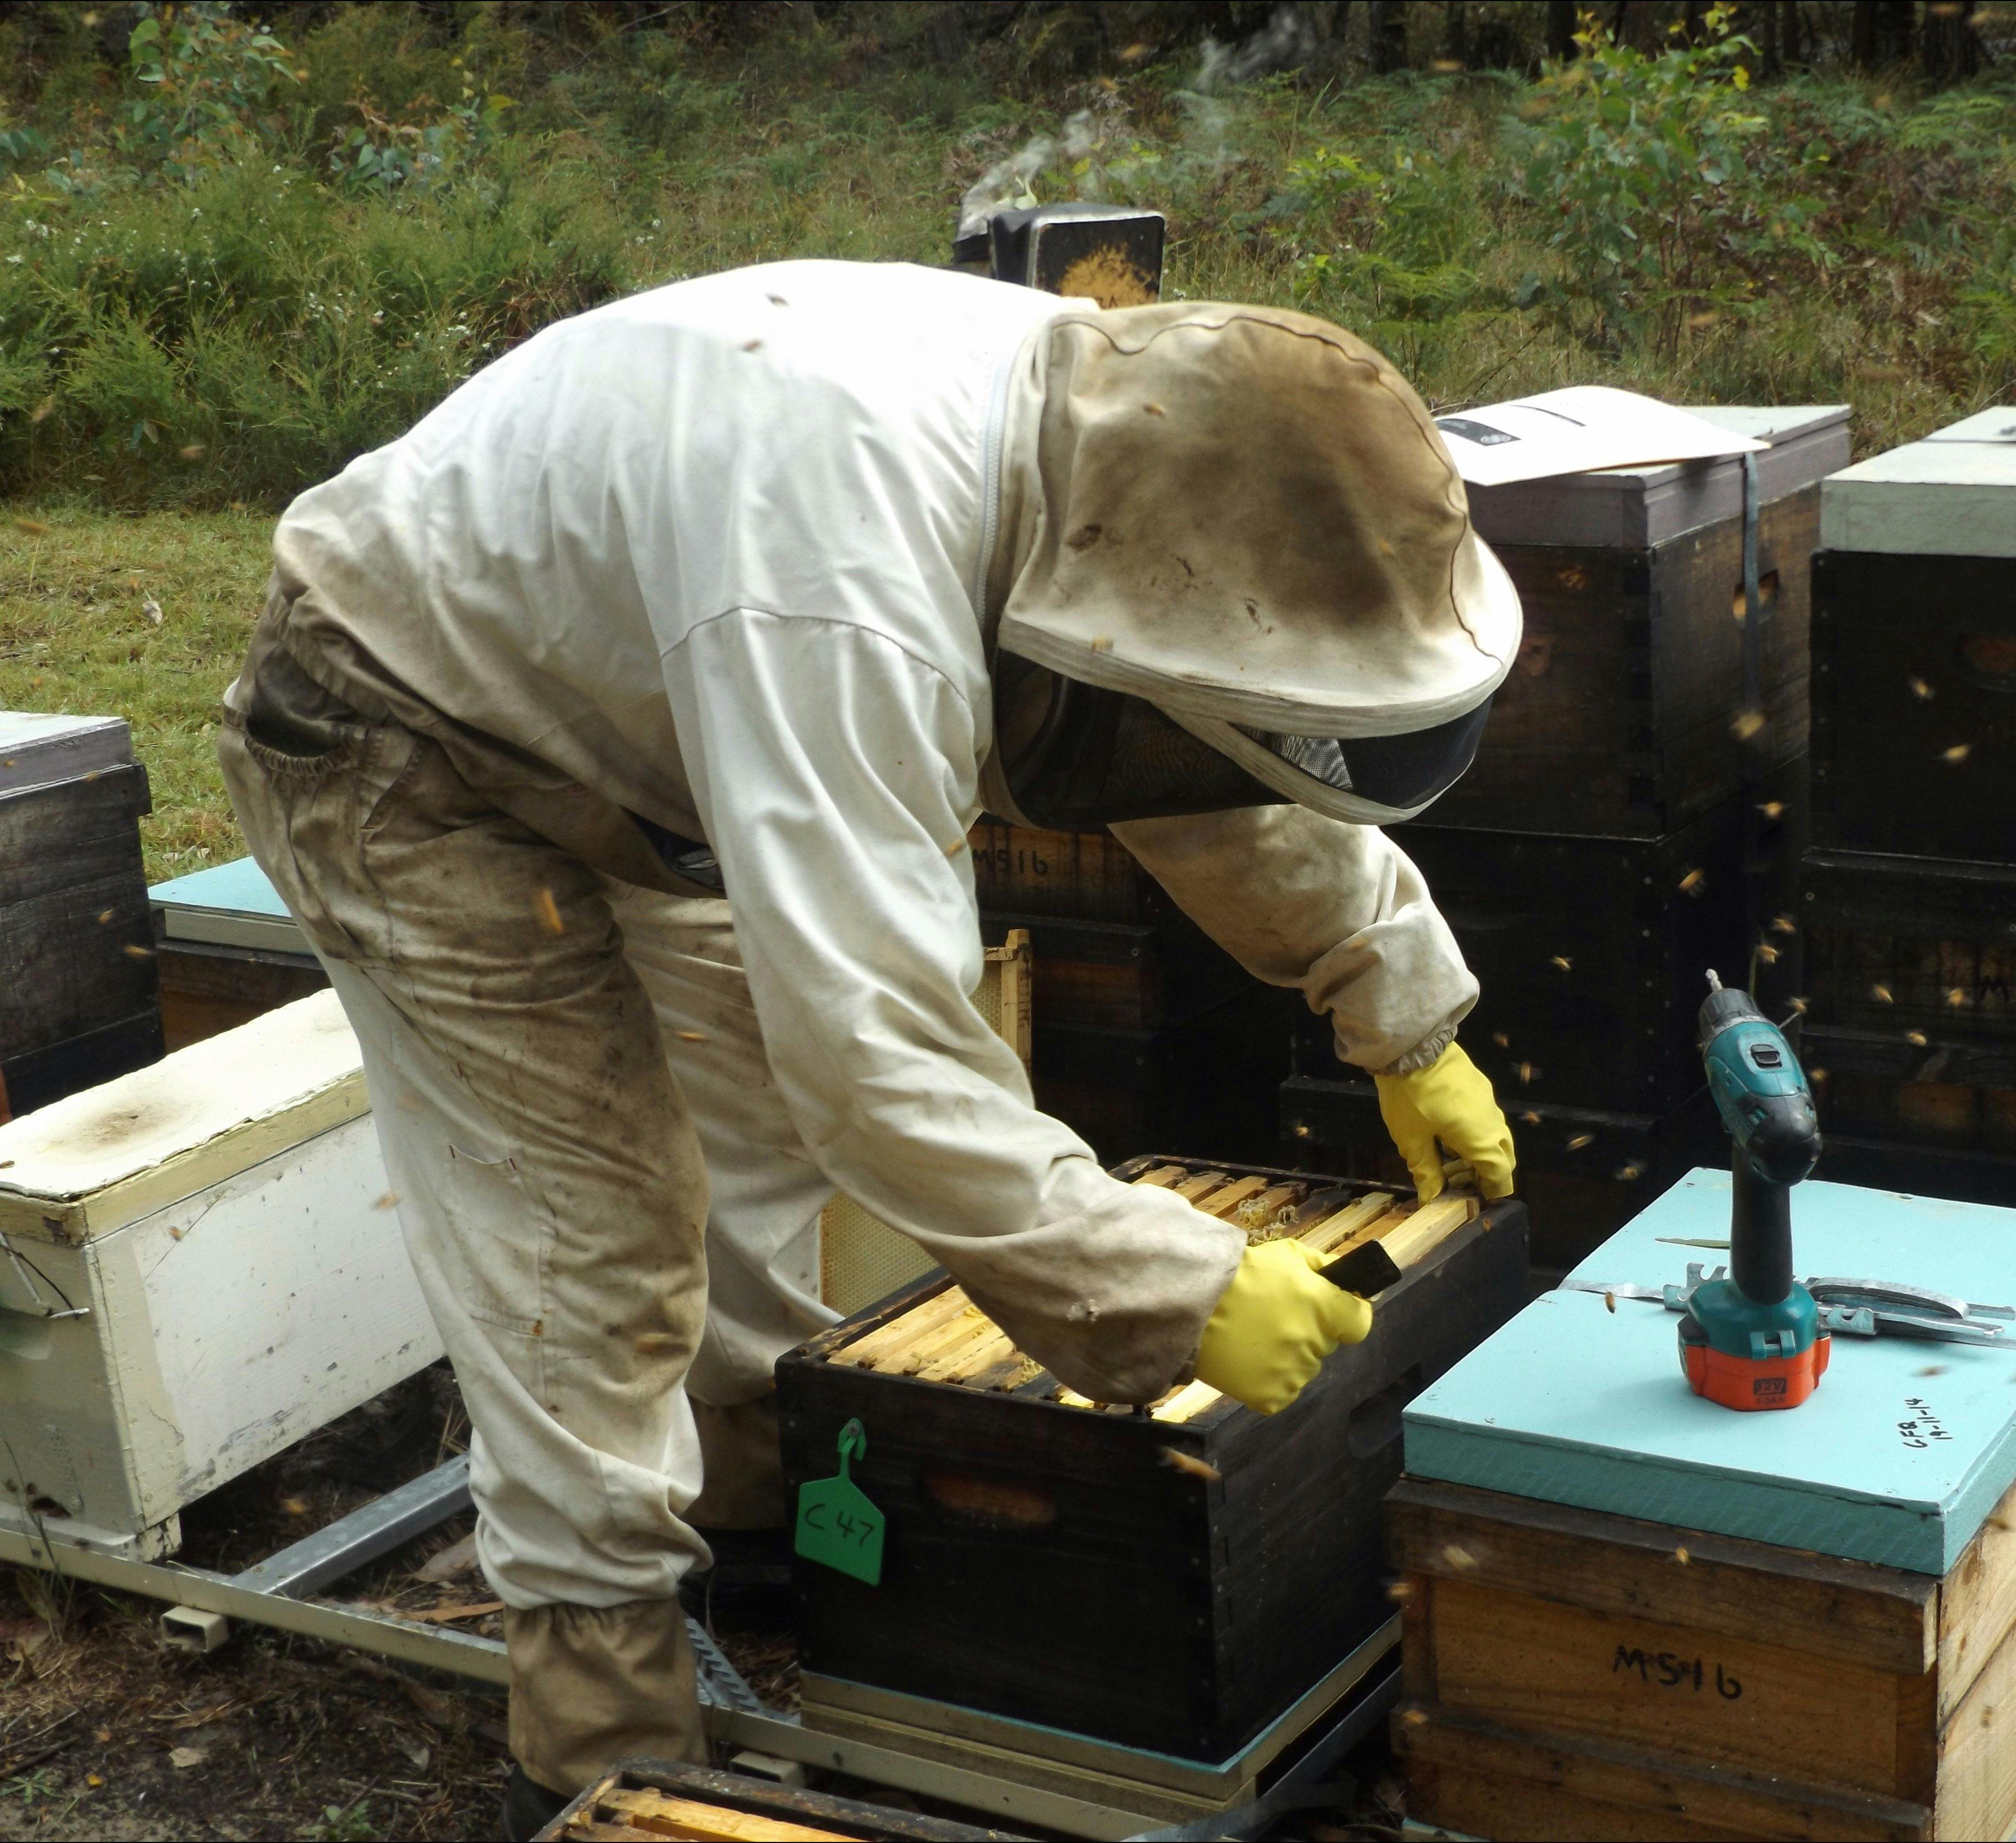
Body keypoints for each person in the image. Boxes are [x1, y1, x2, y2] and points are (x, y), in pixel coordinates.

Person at [217, 260, 1521, 1834]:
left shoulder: (1137, 466)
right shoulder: (846, 586)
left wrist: (1401, 1008)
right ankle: (598, 1721)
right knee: (589, 1228)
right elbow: (882, 1055)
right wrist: (1178, 1286)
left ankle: (765, 1523)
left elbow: (1216, 751)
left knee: (759, 1137)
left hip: (657, 711)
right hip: (401, 724)